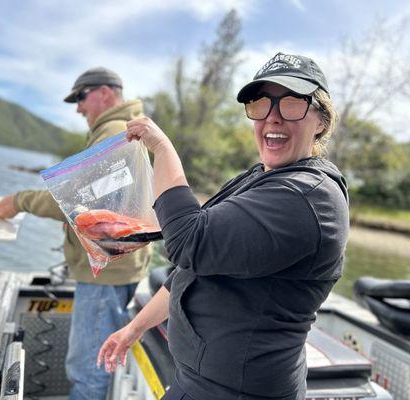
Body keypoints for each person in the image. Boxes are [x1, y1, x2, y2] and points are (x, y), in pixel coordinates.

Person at [97, 52, 349, 400]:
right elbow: (192, 265)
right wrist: (135, 328)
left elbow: (189, 241)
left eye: (292, 104)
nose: (272, 118)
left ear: (321, 120)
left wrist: (163, 149)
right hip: (197, 381)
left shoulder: (305, 197)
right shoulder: (263, 177)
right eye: (261, 105)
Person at [0, 67, 151, 400]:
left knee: (88, 372)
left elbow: (71, 200)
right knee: (93, 366)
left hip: (104, 279)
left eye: (81, 97)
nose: (78, 107)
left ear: (105, 93)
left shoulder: (112, 131)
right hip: (117, 271)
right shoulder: (124, 129)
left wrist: (18, 201)